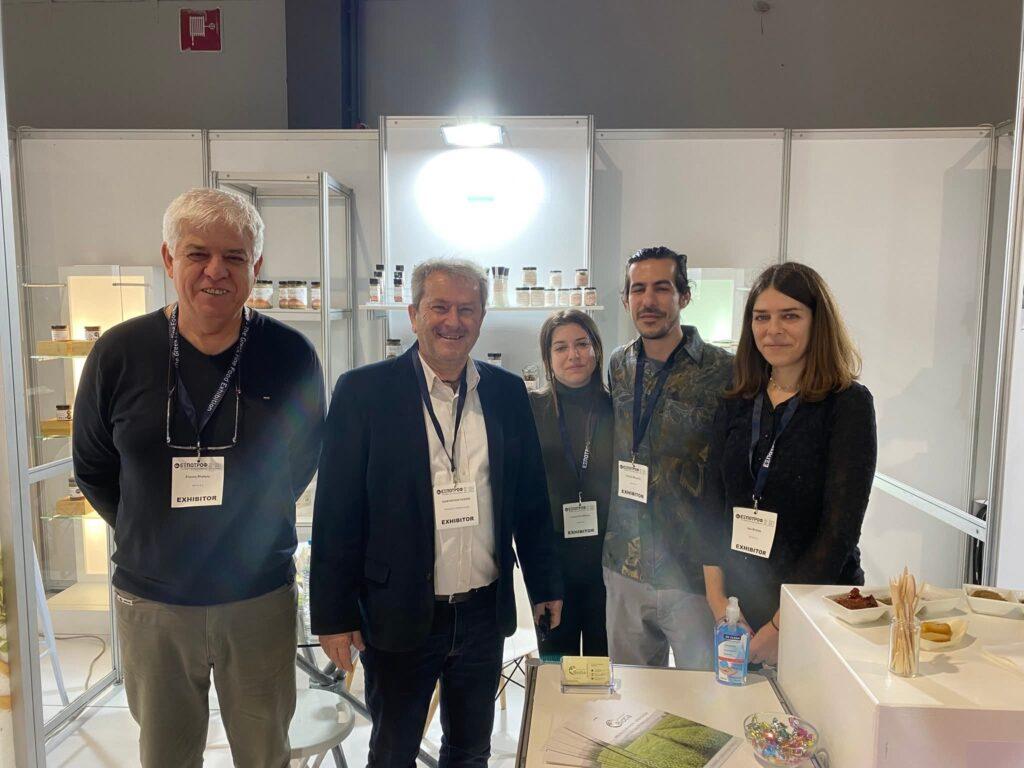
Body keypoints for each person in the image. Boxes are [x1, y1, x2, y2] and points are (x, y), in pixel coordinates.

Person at [72, 188, 325, 768]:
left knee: (264, 754)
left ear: (256, 266)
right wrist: (148, 527)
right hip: (154, 601)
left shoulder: (290, 355)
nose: (216, 271)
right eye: (197, 254)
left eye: (234, 256)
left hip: (257, 598)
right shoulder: (119, 352)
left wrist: (245, 524)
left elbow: (302, 458)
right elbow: (93, 465)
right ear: (169, 258)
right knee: (166, 755)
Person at [310, 258, 563, 768]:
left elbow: (531, 498)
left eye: (466, 309)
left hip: (482, 614)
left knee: (470, 752)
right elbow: (336, 512)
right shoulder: (363, 392)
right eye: (439, 307)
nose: (453, 321)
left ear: (482, 317)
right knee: (392, 753)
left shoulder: (507, 392)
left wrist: (546, 585)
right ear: (413, 314)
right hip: (398, 612)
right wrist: (334, 617)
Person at [703, 262, 876, 666]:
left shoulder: (847, 404)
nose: (773, 330)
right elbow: (711, 503)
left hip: (814, 609)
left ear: (818, 323)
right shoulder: (737, 400)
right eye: (761, 317)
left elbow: (839, 531)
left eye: (790, 316)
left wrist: (782, 625)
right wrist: (718, 603)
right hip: (739, 611)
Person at [603, 246, 734, 669]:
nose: (648, 300)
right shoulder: (619, 364)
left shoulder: (724, 371)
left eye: (662, 288)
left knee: (704, 696)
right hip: (624, 563)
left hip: (695, 575)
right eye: (637, 289)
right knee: (631, 694)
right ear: (625, 299)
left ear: (685, 295)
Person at [528, 310, 613, 658]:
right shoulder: (531, 409)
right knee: (554, 668)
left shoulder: (616, 408)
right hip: (553, 568)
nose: (573, 355)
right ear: (548, 357)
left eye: (582, 344)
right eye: (560, 347)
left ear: (596, 349)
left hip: (607, 566)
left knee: (603, 668)